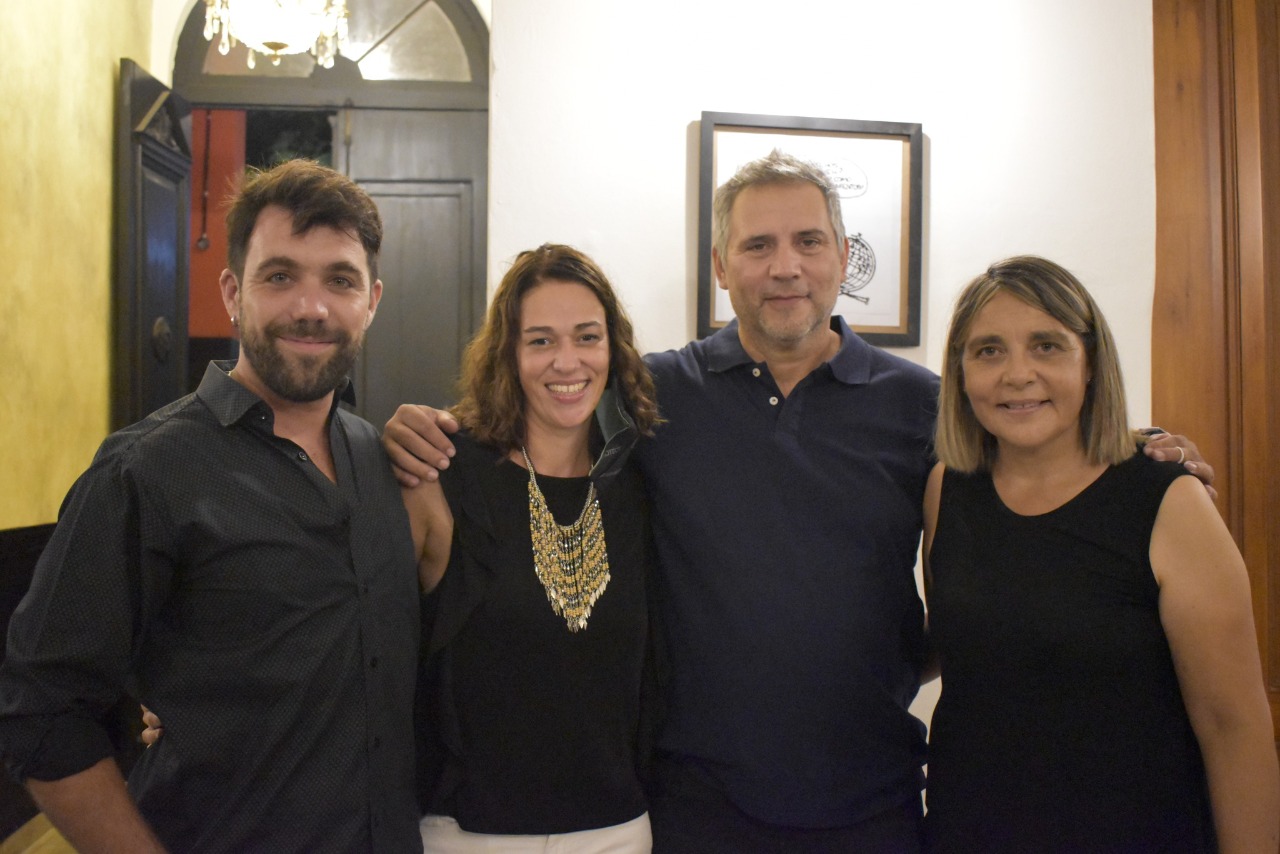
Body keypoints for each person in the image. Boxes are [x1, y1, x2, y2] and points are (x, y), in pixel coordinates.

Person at [382, 151, 1214, 853]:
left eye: (809, 242)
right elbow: (541, 406)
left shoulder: (923, 407)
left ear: (842, 255)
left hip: (875, 800)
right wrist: (421, 427)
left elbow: (1042, 472)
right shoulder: (654, 395)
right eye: (758, 245)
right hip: (694, 806)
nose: (786, 266)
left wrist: (1139, 448)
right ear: (720, 266)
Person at [0, 160, 422, 852]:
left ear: (371, 300)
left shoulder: (381, 462)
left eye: (339, 280)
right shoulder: (147, 471)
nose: (311, 307)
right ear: (232, 292)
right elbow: (39, 713)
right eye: (279, 275)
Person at [921, 256, 1278, 853]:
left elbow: (1233, 729)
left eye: (1047, 346)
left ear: (1091, 364)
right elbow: (962, 647)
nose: (1017, 373)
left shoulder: (1169, 501)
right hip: (968, 830)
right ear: (959, 373)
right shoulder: (946, 490)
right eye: (988, 350)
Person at [404, 244, 661, 851]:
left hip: (617, 830)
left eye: (587, 337)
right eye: (540, 340)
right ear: (508, 355)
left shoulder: (643, 478)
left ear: (613, 350)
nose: (566, 361)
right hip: (470, 834)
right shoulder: (441, 469)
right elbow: (362, 637)